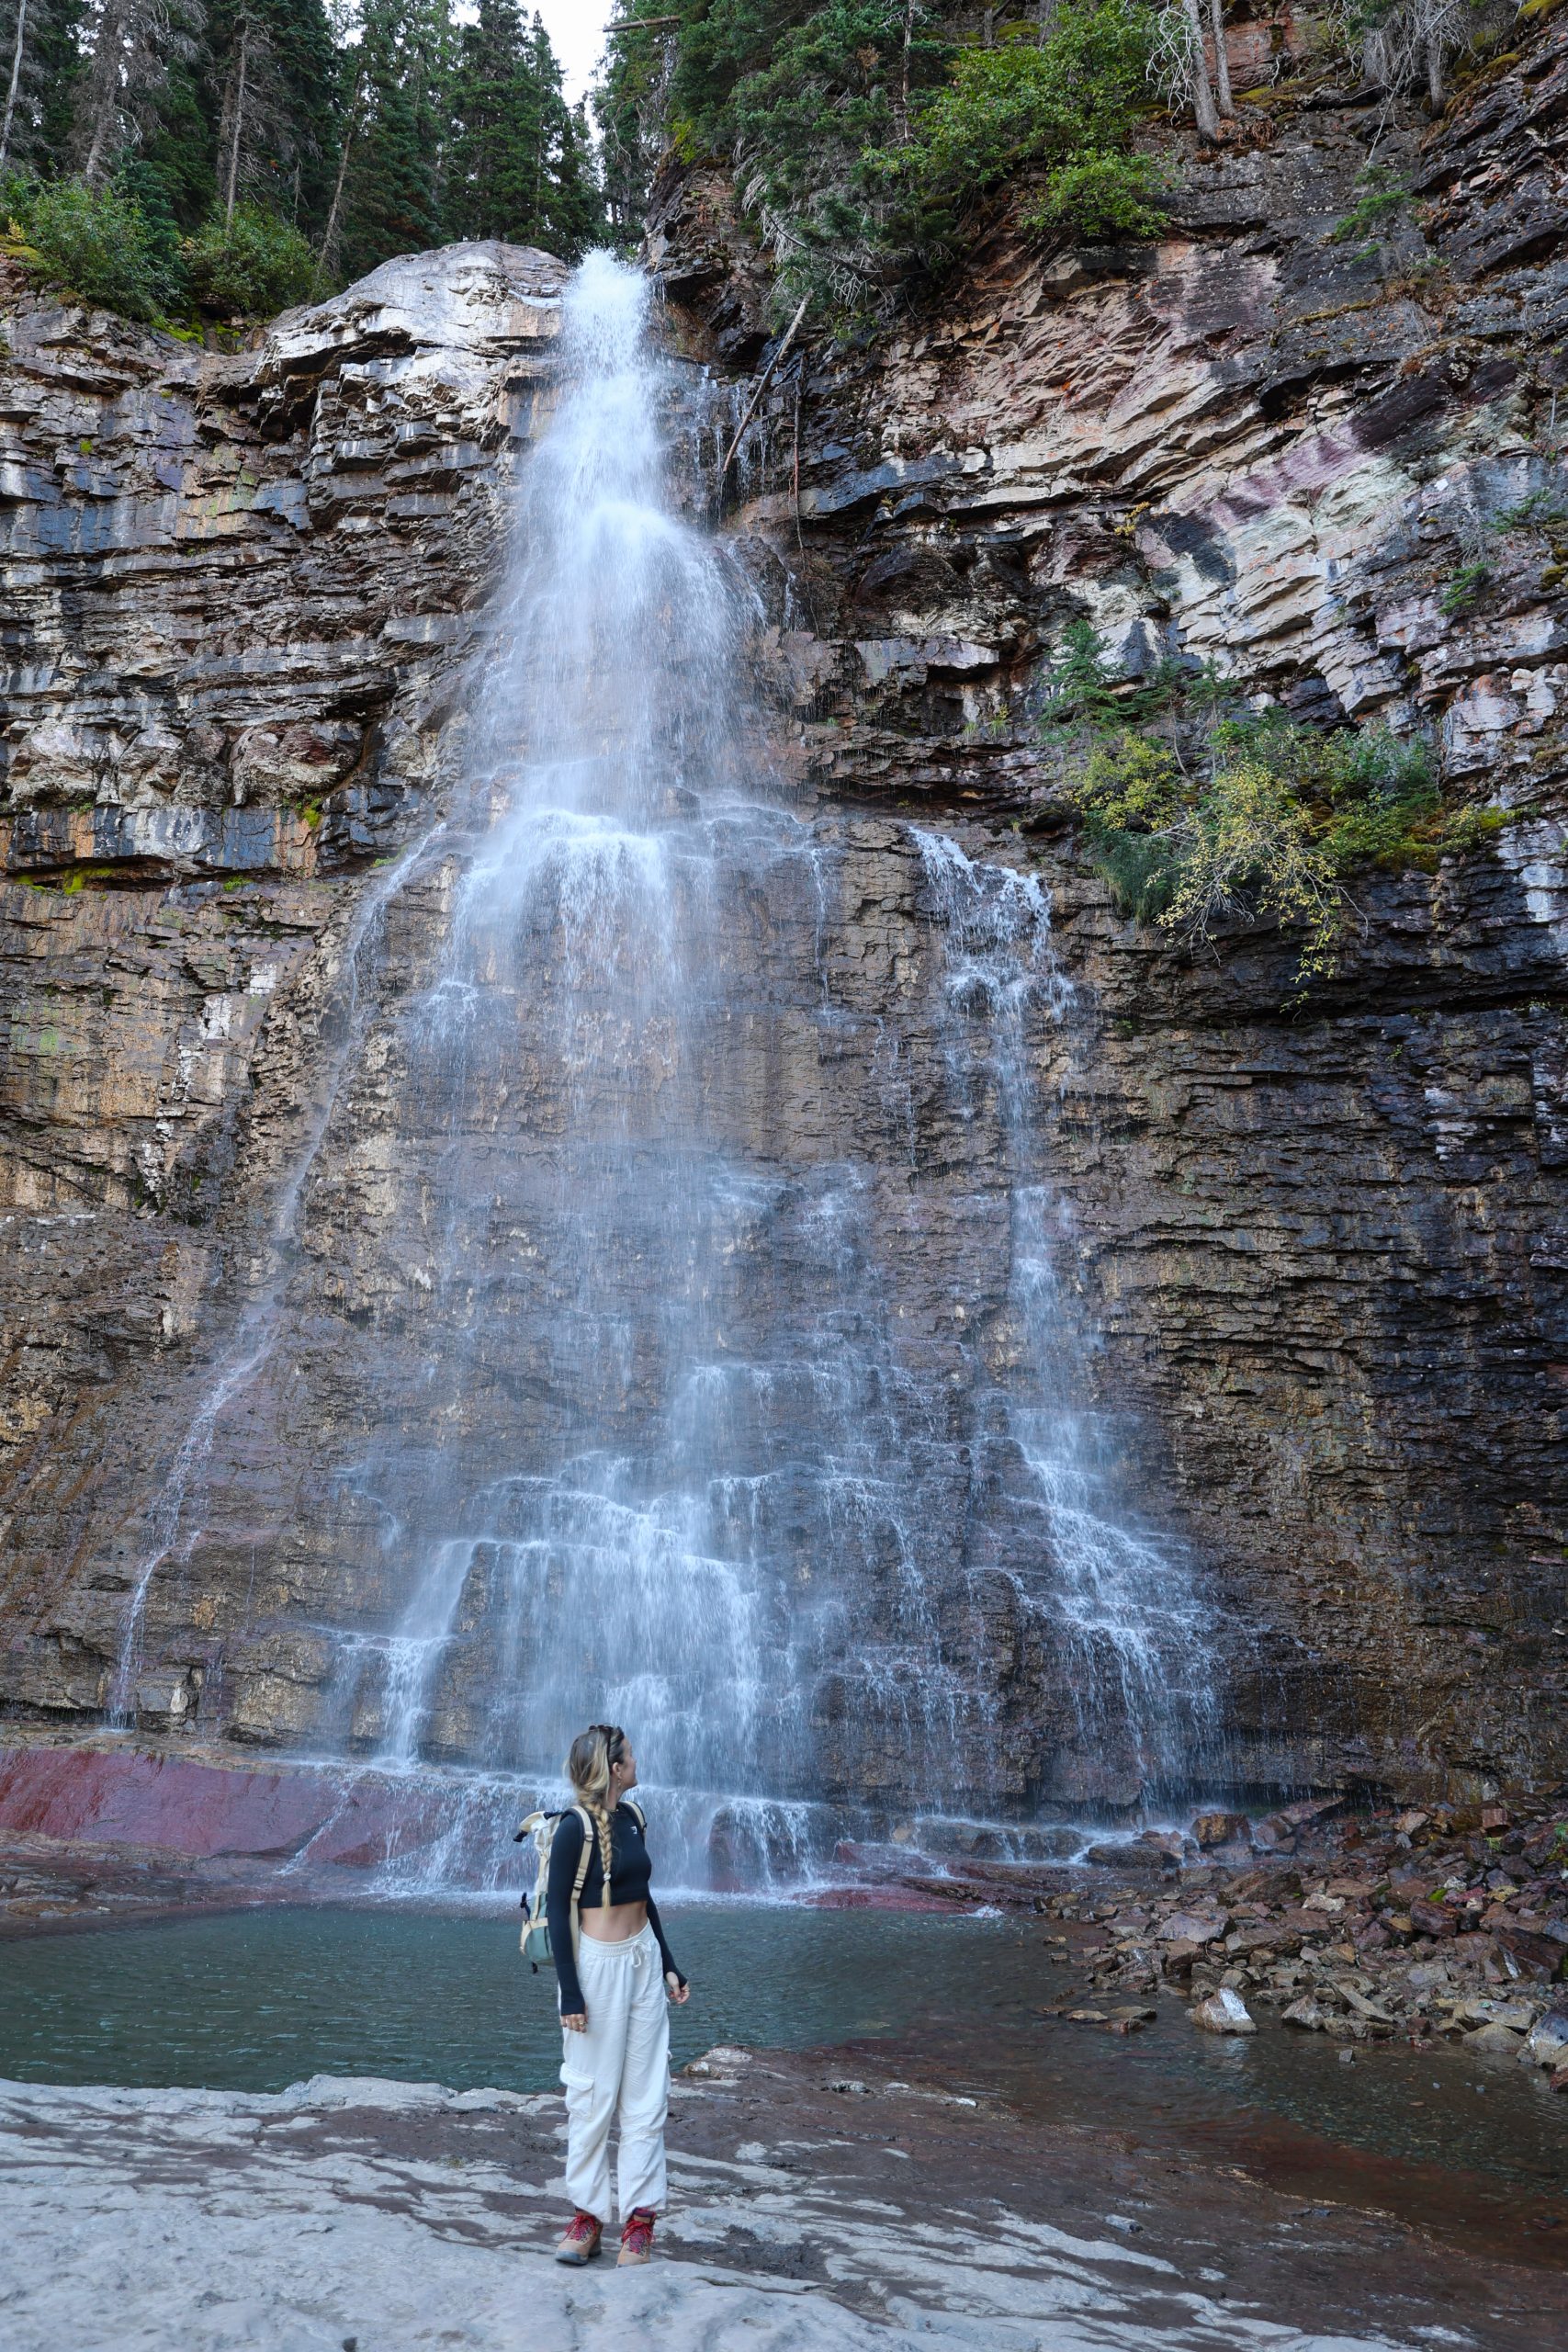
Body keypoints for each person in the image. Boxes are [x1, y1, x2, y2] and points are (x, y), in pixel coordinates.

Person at [547, 1724, 689, 2267]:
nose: (637, 1760)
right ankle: (586, 2217)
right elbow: (561, 1915)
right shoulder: (572, 1830)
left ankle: (639, 2221)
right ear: (614, 1769)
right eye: (629, 1756)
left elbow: (644, 1898)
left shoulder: (634, 1817)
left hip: (642, 1961)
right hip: (595, 1972)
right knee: (592, 2098)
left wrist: (669, 1966)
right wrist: (570, 1994)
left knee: (647, 2095)